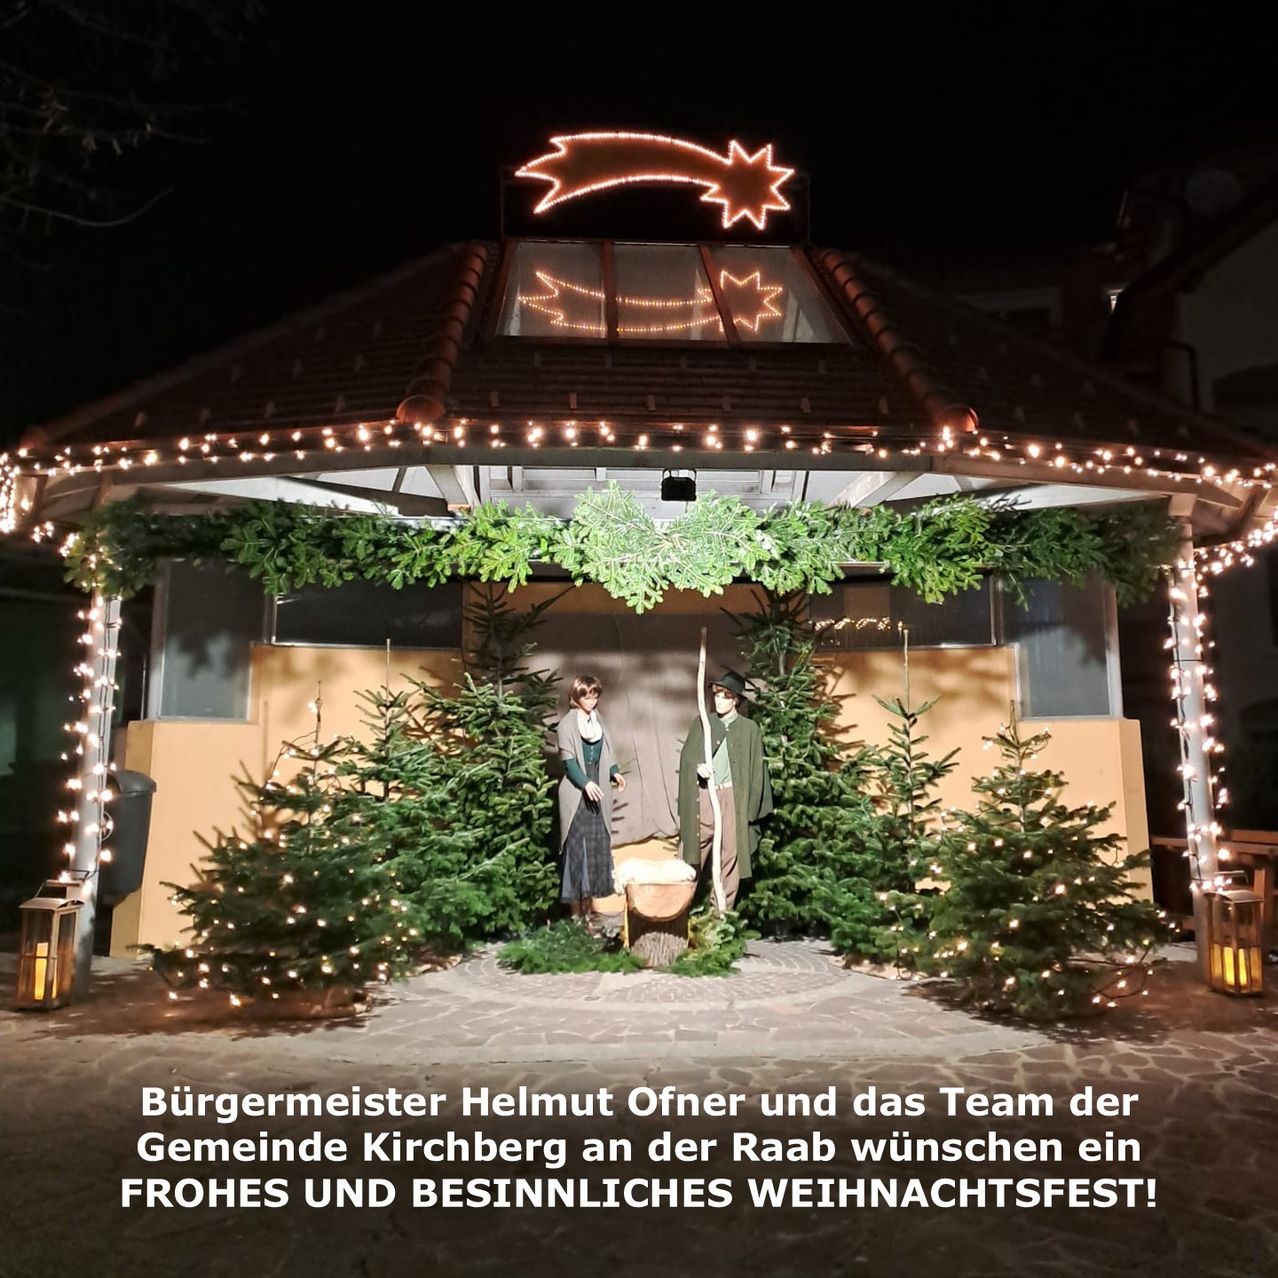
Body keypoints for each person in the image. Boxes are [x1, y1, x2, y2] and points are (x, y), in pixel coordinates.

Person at [678, 669, 773, 911]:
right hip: (705, 796)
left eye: (725, 696)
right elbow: (688, 759)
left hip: (732, 798)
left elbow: (756, 770)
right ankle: (677, 910)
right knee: (691, 853)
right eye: (717, 695)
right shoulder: (703, 723)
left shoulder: (749, 729)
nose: (719, 700)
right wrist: (698, 767)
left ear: (736, 700)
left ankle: (720, 915)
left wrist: (749, 810)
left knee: (730, 854)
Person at [557, 674, 626, 927]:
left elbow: (607, 752)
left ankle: (590, 912)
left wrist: (615, 772)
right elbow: (569, 764)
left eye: (595, 695)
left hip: (599, 792)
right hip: (578, 793)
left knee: (596, 848)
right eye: (587, 695)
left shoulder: (599, 721)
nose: (591, 700)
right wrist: (586, 784)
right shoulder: (567, 725)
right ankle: (576, 914)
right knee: (577, 851)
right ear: (576, 696)